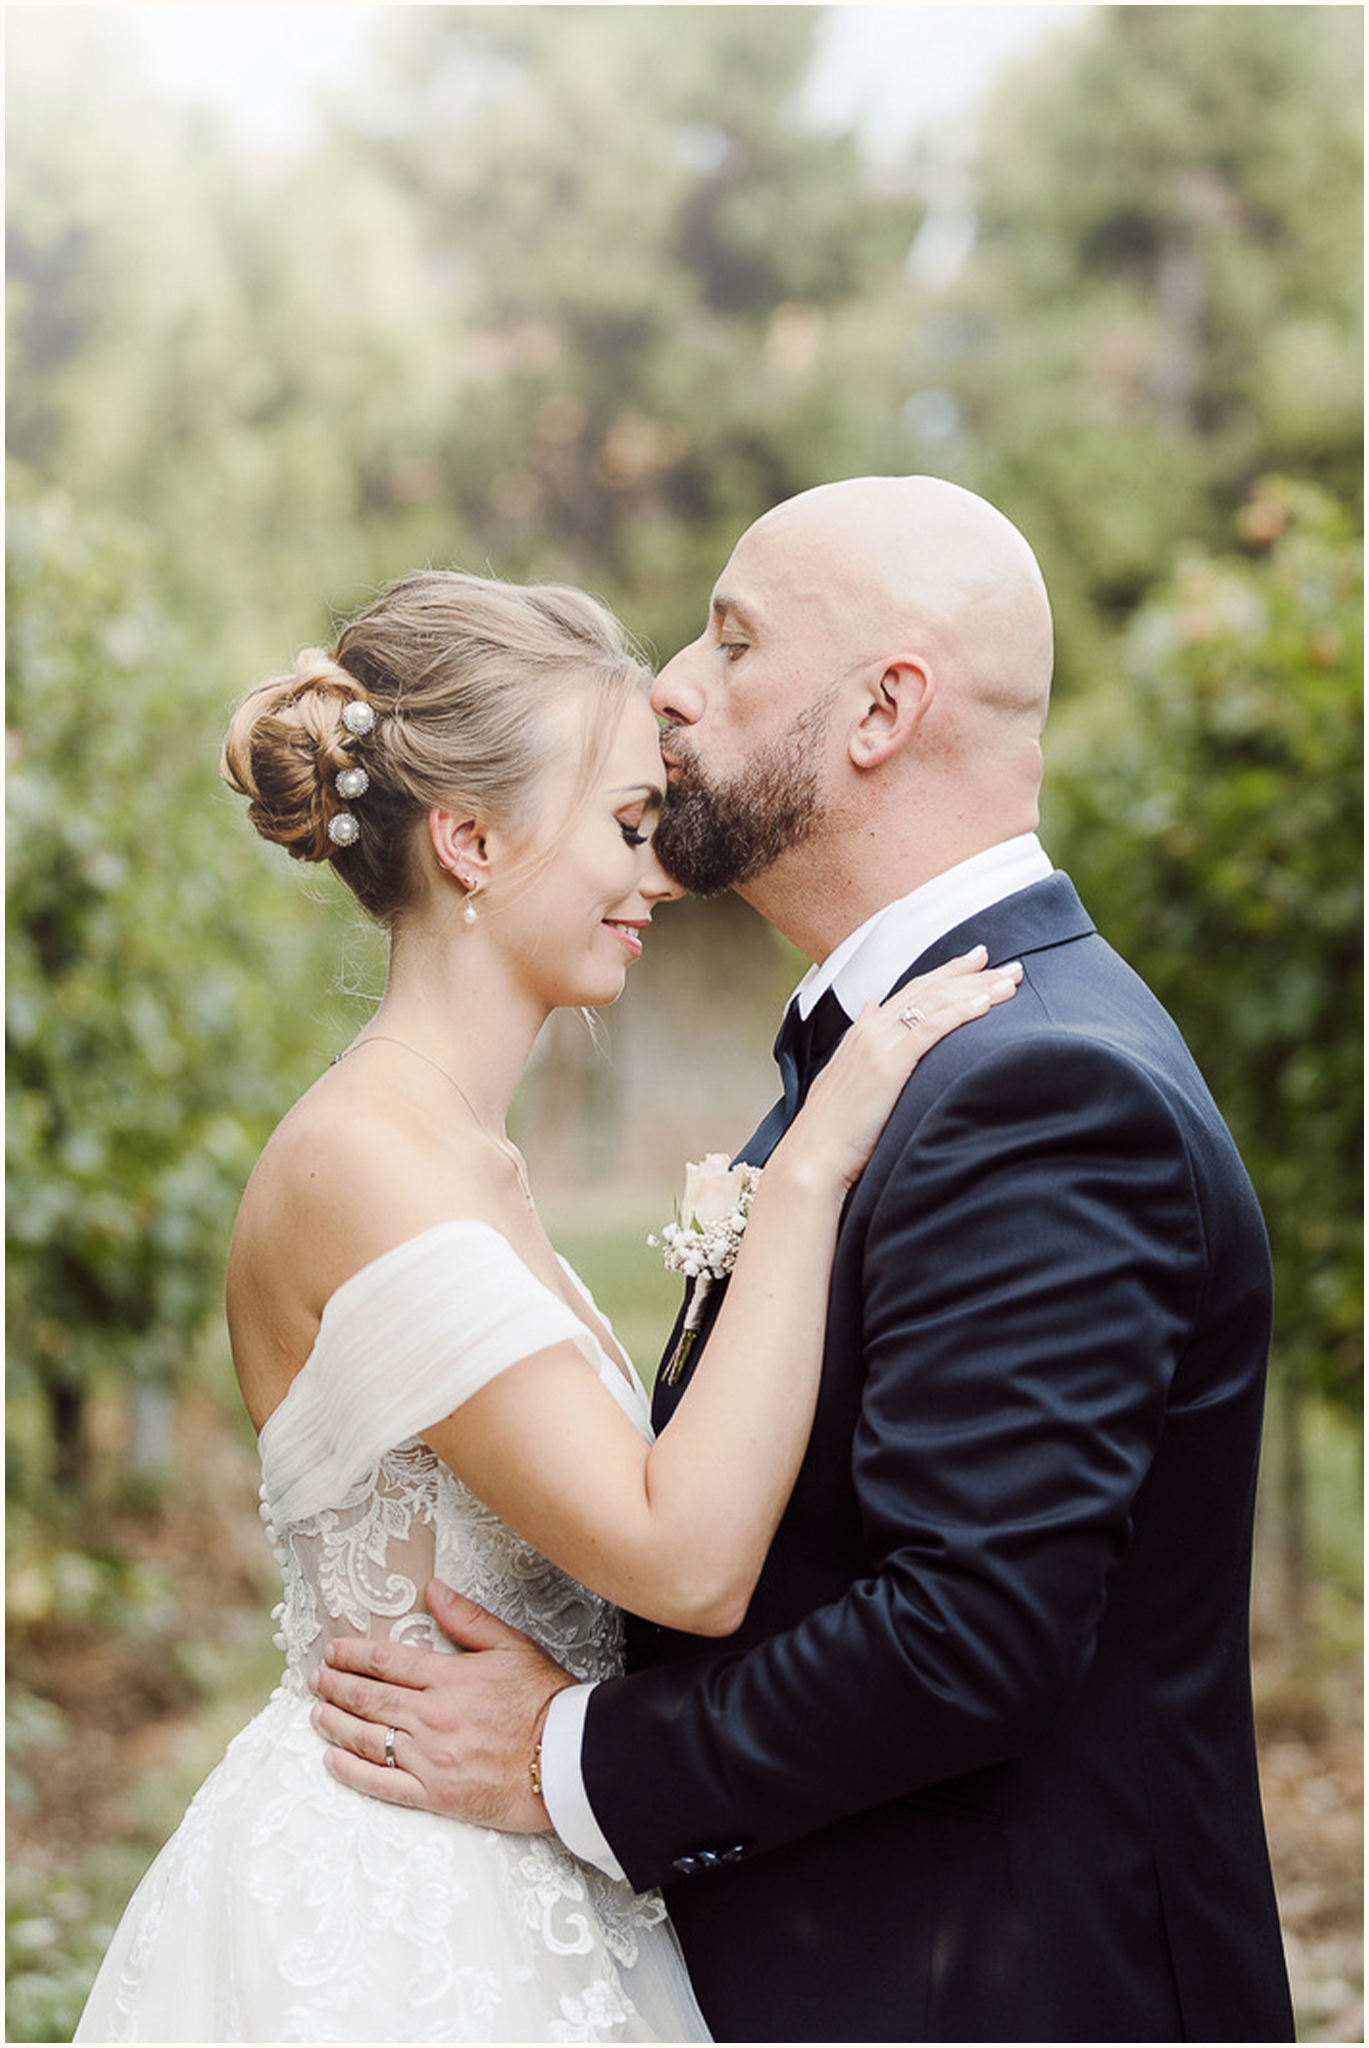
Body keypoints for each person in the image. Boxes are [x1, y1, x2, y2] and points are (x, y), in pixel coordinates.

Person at [311, 478, 1296, 2044]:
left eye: (731, 642)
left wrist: (566, 1758)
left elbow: (968, 1639)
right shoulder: (912, 1062)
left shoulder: (1043, 1087)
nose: (667, 688)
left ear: (881, 710)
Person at [73, 567, 1018, 2044]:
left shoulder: (458, 1159)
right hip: (394, 1910)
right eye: (627, 829)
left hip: (520, 1866)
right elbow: (682, 1557)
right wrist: (821, 1159)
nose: (657, 878)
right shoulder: (361, 1168)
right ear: (470, 838)